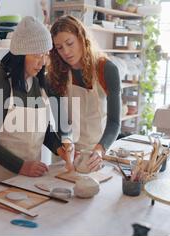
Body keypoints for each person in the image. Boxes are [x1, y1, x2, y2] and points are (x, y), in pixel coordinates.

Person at [0, 16, 73, 188]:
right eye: (36, 55)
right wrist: (21, 166)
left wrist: (59, 148)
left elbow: (42, 129)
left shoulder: (38, 81)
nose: (42, 62)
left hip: (28, 181)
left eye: (45, 54)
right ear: (19, 54)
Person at [48, 15, 122, 172]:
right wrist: (68, 146)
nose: (66, 52)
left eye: (70, 43)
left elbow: (114, 122)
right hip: (68, 150)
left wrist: (100, 150)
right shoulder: (56, 74)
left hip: (98, 149)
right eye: (59, 48)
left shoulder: (106, 69)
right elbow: (61, 120)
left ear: (81, 38)